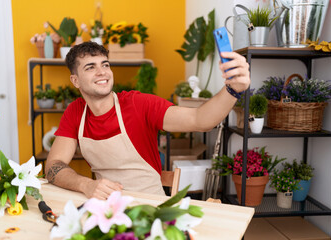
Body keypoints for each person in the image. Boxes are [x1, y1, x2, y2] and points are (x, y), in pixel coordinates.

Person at [45, 41, 250, 200]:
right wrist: (86, 185)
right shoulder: (75, 112)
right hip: (108, 207)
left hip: (151, 205)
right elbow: (53, 165)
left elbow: (200, 120)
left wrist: (233, 89)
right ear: (75, 80)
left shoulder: (138, 104)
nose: (102, 72)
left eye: (105, 64)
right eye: (90, 67)